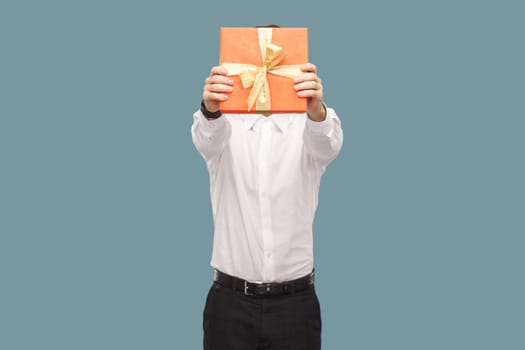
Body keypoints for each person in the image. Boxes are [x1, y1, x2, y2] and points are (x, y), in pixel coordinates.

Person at [192, 58, 343, 350]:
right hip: (230, 306)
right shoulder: (224, 127)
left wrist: (316, 110)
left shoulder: (310, 127)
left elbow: (328, 144)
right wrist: (210, 110)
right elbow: (206, 138)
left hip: (295, 307)